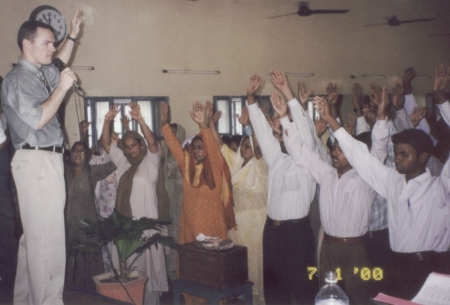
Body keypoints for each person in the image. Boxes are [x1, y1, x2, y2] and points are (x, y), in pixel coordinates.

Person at [314, 64, 450, 299]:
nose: (396, 159)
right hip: (397, 264)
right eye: (396, 153)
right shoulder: (392, 181)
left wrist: (440, 98)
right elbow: (359, 154)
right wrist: (330, 119)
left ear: (424, 157)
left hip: (431, 266)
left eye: (404, 154)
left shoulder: (441, 186)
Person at [0, 10, 83, 305]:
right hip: (36, 162)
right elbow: (38, 120)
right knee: (48, 241)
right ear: (27, 44)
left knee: (33, 239)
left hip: (43, 162)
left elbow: (59, 60)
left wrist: (72, 34)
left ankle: (24, 300)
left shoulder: (38, 72)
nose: (53, 48)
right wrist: (62, 87)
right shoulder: (19, 79)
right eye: (47, 43)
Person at [272, 91, 378, 304]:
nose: (335, 152)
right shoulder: (327, 174)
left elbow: (379, 148)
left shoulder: (366, 178)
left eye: (341, 150)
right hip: (328, 248)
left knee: (358, 298)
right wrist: (284, 117)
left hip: (355, 250)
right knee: (328, 298)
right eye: (335, 148)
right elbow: (299, 152)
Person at [247, 72, 323, 304]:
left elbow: (305, 130)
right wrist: (250, 97)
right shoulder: (276, 159)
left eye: (286, 131)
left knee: (300, 289)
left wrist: (288, 95)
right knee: (274, 288)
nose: (281, 136)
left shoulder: (306, 160)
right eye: (279, 133)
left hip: (297, 234)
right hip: (273, 232)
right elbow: (261, 128)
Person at [160, 101, 235, 303]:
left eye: (200, 148)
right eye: (194, 148)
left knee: (211, 275)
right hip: (189, 230)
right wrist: (164, 124)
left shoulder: (217, 169)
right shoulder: (187, 167)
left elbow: (212, 146)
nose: (197, 151)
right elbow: (175, 146)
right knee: (192, 275)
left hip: (212, 230)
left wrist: (203, 126)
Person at [101, 102, 168, 304]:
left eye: (134, 145)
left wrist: (140, 120)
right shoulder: (122, 162)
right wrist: (107, 120)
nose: (130, 150)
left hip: (145, 225)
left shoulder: (151, 162)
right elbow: (105, 144)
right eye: (127, 147)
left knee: (146, 267)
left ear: (140, 145)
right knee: (126, 267)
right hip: (125, 226)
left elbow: (153, 143)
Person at [208, 100, 267, 304]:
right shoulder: (238, 163)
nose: (244, 148)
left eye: (248, 145)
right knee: (239, 265)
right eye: (243, 145)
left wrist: (250, 126)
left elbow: (260, 147)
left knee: (255, 263)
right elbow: (220, 145)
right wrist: (210, 122)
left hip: (257, 224)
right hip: (237, 224)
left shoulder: (262, 166)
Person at [64, 141, 116, 290]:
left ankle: (93, 291)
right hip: (69, 224)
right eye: (75, 150)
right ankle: (74, 289)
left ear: (87, 155)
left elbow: (113, 163)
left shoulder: (92, 171)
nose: (78, 154)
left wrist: (114, 144)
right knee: (73, 257)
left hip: (88, 224)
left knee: (91, 258)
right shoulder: (64, 171)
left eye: (82, 151)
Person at [161, 123, 185, 279]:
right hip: (163, 196)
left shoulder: (181, 153)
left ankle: (175, 273)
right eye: (170, 133)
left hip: (175, 197)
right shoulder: (163, 151)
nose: (172, 137)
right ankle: (166, 274)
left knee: (175, 233)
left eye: (175, 134)